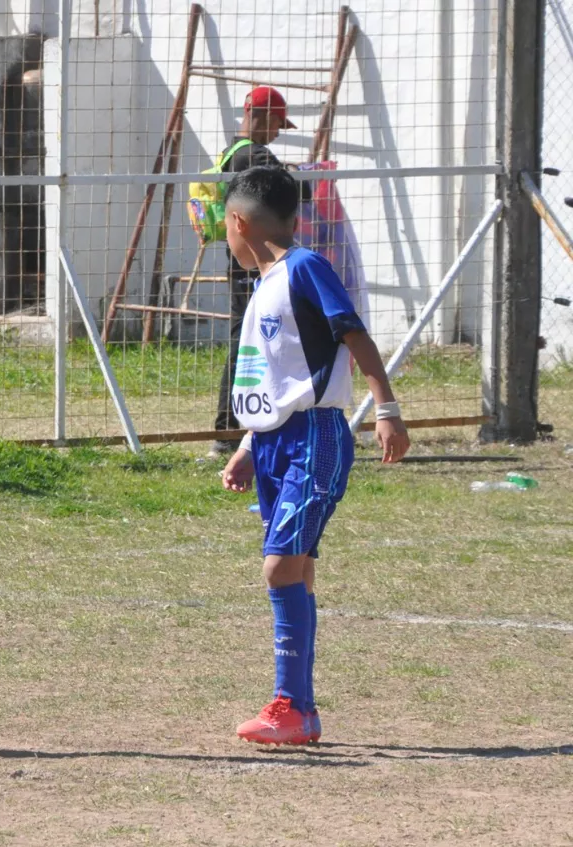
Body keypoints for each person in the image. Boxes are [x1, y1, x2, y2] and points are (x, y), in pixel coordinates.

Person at [218, 166, 409, 746]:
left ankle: (292, 705)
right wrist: (251, 443)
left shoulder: (305, 269)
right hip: (276, 440)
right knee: (294, 567)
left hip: (316, 438)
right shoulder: (267, 284)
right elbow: (284, 378)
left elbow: (355, 336)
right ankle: (298, 711)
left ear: (238, 222)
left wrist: (388, 409)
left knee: (280, 566)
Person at [212, 86, 313, 455]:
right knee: (248, 342)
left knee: (246, 338)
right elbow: (296, 195)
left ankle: (236, 426)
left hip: (243, 259)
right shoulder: (256, 157)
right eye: (277, 124)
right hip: (258, 263)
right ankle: (229, 430)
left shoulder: (231, 154)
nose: (278, 131)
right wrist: (300, 176)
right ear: (265, 117)